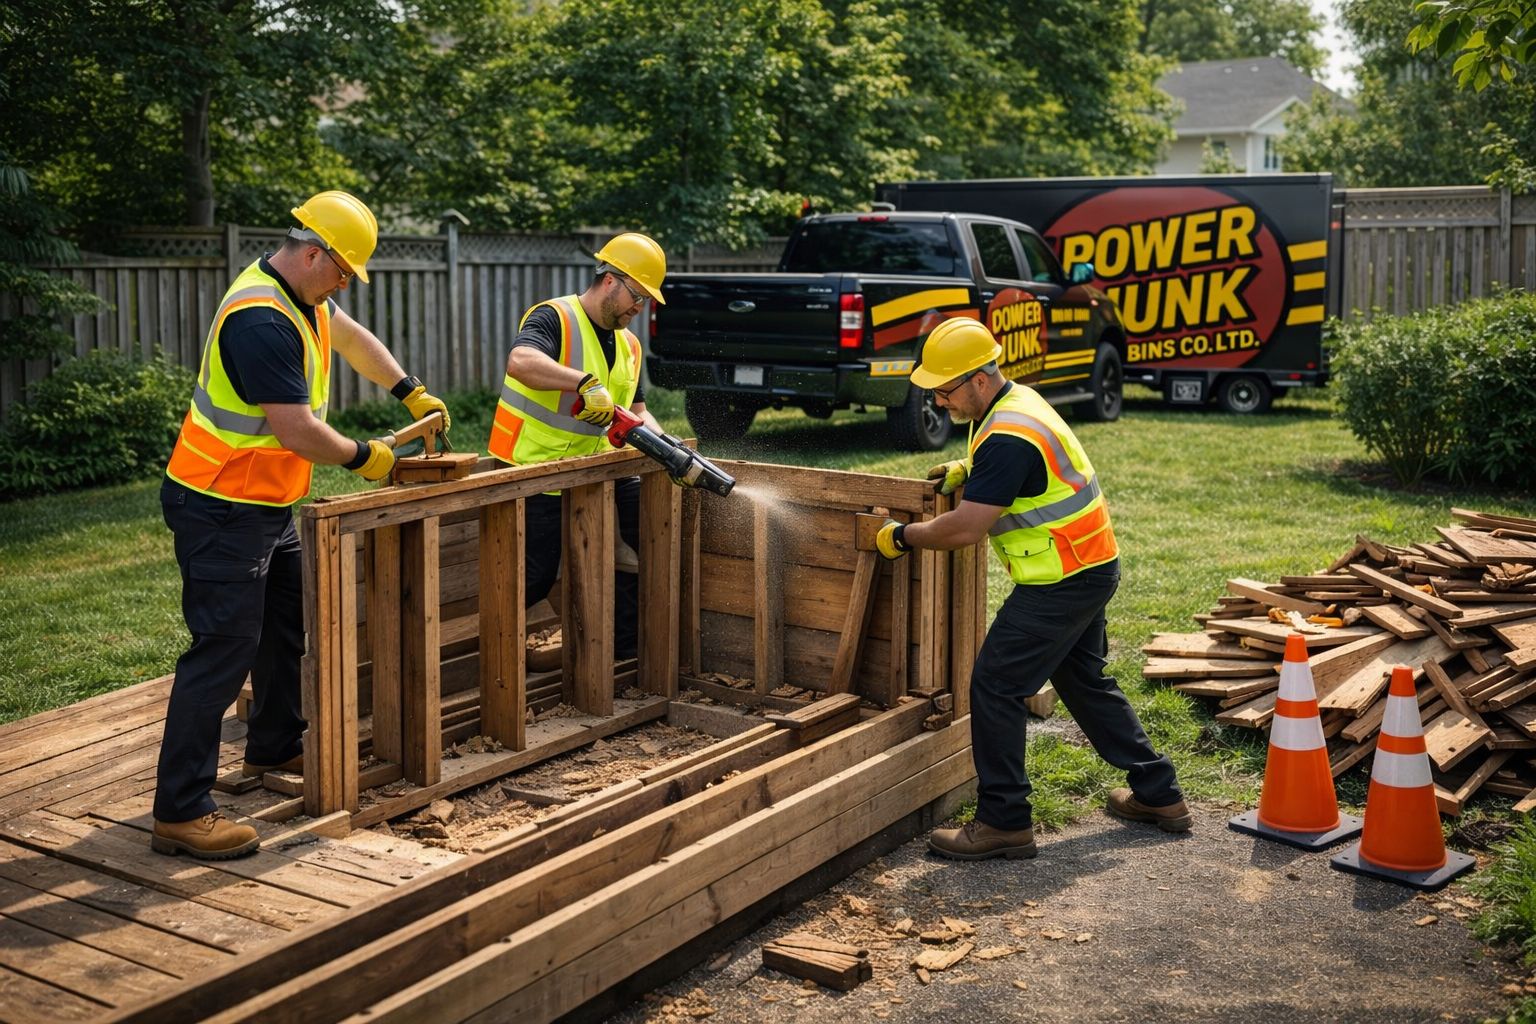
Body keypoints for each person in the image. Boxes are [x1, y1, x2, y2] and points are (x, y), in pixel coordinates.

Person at [153, 190, 451, 859]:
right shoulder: (261, 320)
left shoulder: (303, 298)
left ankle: (273, 745)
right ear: (313, 253)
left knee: (283, 627)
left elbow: (351, 338)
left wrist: (407, 389)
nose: (345, 285)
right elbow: (297, 431)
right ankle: (180, 810)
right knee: (222, 650)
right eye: (343, 271)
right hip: (219, 506)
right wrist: (365, 456)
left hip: (263, 504)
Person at [873, 317, 1189, 860]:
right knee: (1083, 681)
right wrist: (968, 467)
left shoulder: (1007, 436)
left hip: (1061, 580)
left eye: (944, 391)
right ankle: (1160, 795)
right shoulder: (1013, 404)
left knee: (995, 685)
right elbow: (1017, 466)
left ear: (978, 379)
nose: (939, 402)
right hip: (1089, 565)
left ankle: (1004, 822)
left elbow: (966, 528)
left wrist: (903, 536)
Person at [487, 232, 669, 660]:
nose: (639, 308)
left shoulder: (629, 344)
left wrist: (671, 447)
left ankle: (623, 654)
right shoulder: (554, 317)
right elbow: (521, 362)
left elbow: (638, 412)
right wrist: (583, 383)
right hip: (532, 471)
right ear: (610, 280)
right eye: (637, 296)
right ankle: (501, 661)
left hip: (595, 470)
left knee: (643, 536)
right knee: (534, 575)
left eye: (646, 301)